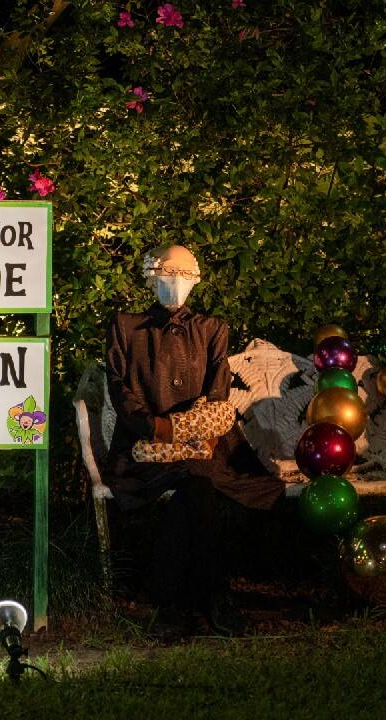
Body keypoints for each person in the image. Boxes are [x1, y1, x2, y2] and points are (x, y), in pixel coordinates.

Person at [103, 245, 283, 639]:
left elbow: (216, 396)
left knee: (195, 484)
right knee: (197, 490)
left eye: (185, 275)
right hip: (143, 448)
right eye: (168, 273)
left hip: (204, 445)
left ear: (197, 280)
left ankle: (170, 605)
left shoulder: (212, 329)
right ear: (151, 276)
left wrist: (187, 430)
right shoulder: (126, 327)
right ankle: (214, 598)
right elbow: (121, 390)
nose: (176, 283)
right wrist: (157, 429)